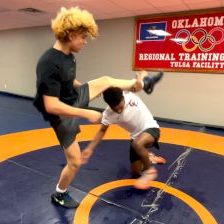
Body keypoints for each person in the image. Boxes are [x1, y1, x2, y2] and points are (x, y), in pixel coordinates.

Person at [33, 7, 163, 208]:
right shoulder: (49, 62)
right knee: (75, 162)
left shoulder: (68, 56)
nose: (85, 42)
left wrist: (86, 88)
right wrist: (87, 112)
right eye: (83, 37)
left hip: (73, 98)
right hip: (60, 113)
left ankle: (141, 85)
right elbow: (51, 106)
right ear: (71, 34)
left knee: (104, 81)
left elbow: (68, 80)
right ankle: (59, 194)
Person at [81, 86, 165, 190]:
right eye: (115, 109)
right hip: (136, 137)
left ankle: (149, 171)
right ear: (109, 106)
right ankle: (148, 157)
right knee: (135, 173)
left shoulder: (129, 93)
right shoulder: (108, 114)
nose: (119, 111)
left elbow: (136, 82)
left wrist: (142, 77)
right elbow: (102, 131)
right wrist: (89, 148)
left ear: (123, 98)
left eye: (121, 107)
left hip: (151, 129)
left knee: (138, 144)